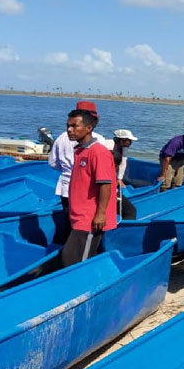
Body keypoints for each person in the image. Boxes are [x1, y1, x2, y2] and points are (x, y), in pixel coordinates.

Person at [61, 109, 117, 267]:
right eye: (68, 126)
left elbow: (105, 184)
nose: (69, 130)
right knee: (71, 257)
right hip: (77, 216)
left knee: (75, 262)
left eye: (74, 126)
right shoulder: (80, 151)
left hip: (89, 219)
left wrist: (100, 214)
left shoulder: (98, 153)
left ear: (88, 128)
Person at [48, 100, 106, 233]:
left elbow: (52, 163)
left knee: (69, 221)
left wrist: (67, 170)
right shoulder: (98, 140)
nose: (70, 129)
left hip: (65, 187)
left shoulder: (61, 138)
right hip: (87, 191)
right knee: (83, 225)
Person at [106, 129, 138, 220]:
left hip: (111, 181)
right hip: (106, 182)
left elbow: (123, 162)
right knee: (130, 211)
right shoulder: (107, 146)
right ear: (121, 140)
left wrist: (119, 179)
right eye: (129, 140)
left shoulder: (123, 148)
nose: (130, 143)